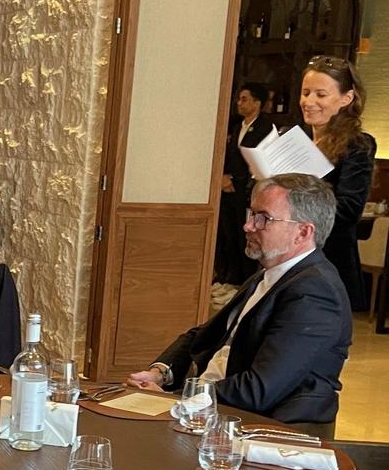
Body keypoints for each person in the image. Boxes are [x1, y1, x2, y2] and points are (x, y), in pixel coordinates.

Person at [127, 173, 350, 434]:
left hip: (267, 430)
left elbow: (259, 390)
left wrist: (178, 399)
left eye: (263, 218)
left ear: (303, 232)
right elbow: (207, 335)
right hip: (217, 411)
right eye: (252, 214)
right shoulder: (271, 274)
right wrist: (160, 373)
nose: (248, 226)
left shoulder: (315, 293)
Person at [299, 55, 376, 311]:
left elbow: (349, 210)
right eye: (306, 93)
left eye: (320, 95)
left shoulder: (358, 145)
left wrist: (298, 205)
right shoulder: (295, 140)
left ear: (346, 98)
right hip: (286, 257)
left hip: (328, 260)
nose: (309, 102)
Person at [216, 83, 274, 285]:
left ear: (257, 103)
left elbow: (260, 161)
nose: (239, 103)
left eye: (244, 99)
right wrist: (223, 177)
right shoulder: (237, 126)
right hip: (228, 189)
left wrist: (234, 179)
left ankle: (244, 282)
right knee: (228, 235)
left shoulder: (266, 127)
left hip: (249, 190)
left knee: (246, 237)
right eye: (239, 99)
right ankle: (229, 279)